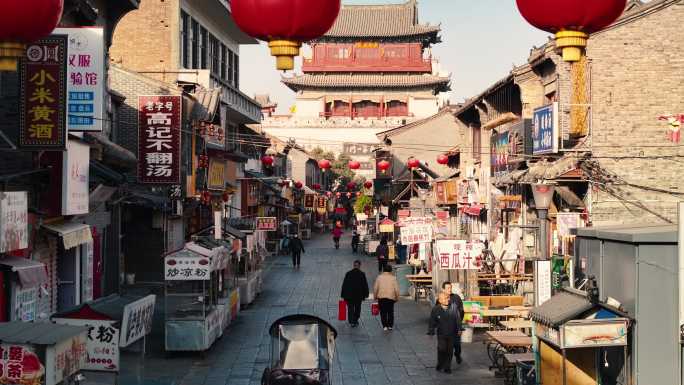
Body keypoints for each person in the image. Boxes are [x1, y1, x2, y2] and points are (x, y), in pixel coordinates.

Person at [428, 292, 460, 373]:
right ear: (440, 300)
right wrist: (431, 331)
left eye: (448, 298)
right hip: (441, 334)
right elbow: (432, 321)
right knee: (441, 349)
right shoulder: (436, 309)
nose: (448, 300)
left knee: (449, 350)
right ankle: (440, 363)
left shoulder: (453, 307)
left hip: (452, 333)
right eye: (446, 298)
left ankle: (447, 367)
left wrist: (459, 329)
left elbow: (457, 319)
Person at [441, 281, 465, 364]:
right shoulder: (440, 298)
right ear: (443, 289)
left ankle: (458, 355)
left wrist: (459, 323)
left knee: (457, 344)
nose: (450, 289)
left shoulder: (456, 297)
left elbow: (461, 311)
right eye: (448, 288)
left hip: (456, 325)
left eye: (450, 287)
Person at [340, 260, 369, 327]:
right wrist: (366, 294)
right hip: (358, 296)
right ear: (359, 266)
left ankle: (351, 321)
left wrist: (343, 294)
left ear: (354, 265)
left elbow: (344, 284)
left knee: (350, 308)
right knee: (357, 308)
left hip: (349, 296)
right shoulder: (362, 274)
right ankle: (355, 320)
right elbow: (365, 285)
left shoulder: (348, 273)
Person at [373, 264, 399, 331]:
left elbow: (376, 288)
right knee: (390, 311)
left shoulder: (379, 277)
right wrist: (397, 297)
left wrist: (375, 296)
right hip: (391, 297)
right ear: (390, 270)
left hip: (381, 297)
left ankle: (384, 326)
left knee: (383, 312)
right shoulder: (393, 278)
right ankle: (390, 325)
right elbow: (396, 289)